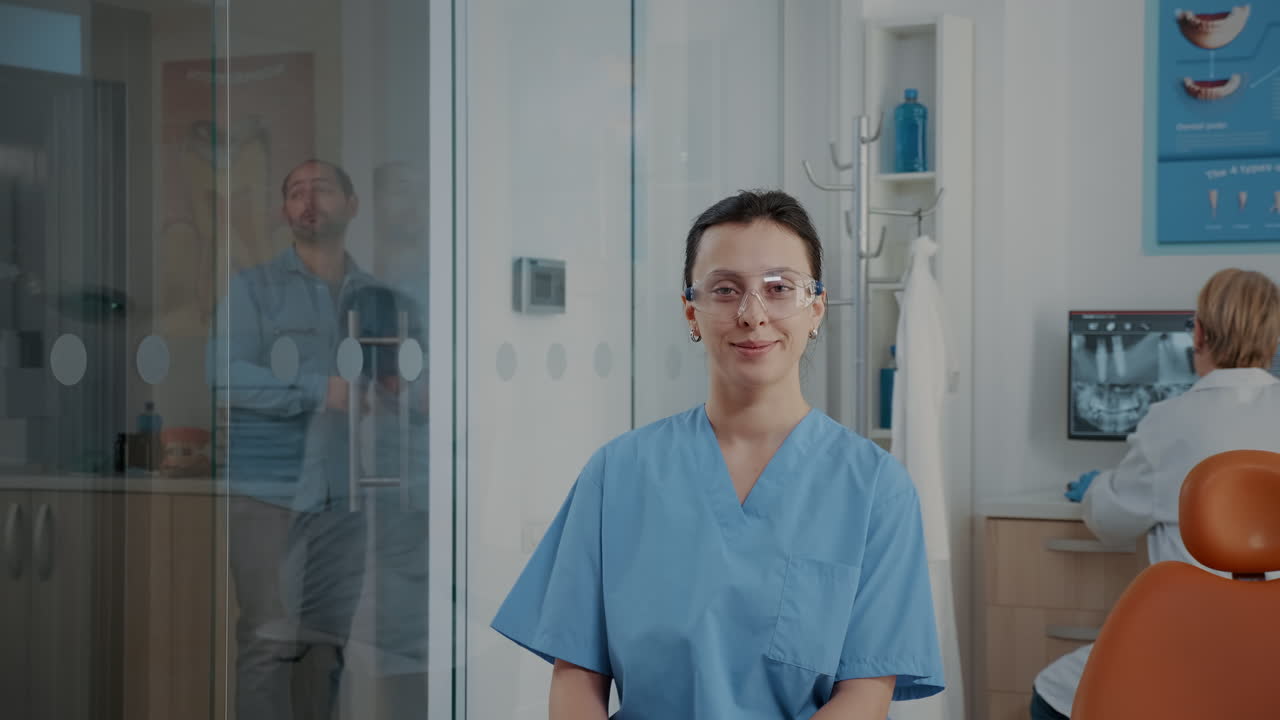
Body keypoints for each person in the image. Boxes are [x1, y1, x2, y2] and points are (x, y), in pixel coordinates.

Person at [491, 190, 944, 719]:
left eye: (779, 288)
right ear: (691, 311)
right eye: (726, 290)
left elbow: (865, 695)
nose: (752, 315)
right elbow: (576, 679)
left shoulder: (875, 489)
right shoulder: (617, 474)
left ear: (815, 308)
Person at [1034, 268, 1280, 720]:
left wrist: (1096, 489)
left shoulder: (1169, 421)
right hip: (1273, 650)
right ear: (1274, 338)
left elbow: (1111, 521)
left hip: (1195, 638)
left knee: (1048, 694)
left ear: (1198, 333)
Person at [210, 158, 387, 719]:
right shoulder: (253, 289)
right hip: (270, 495)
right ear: (284, 211)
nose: (308, 201)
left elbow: (395, 383)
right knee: (268, 642)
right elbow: (223, 375)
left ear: (352, 205)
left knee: (328, 645)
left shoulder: (374, 295)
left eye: (322, 189)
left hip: (343, 498)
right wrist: (318, 389)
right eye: (295, 193)